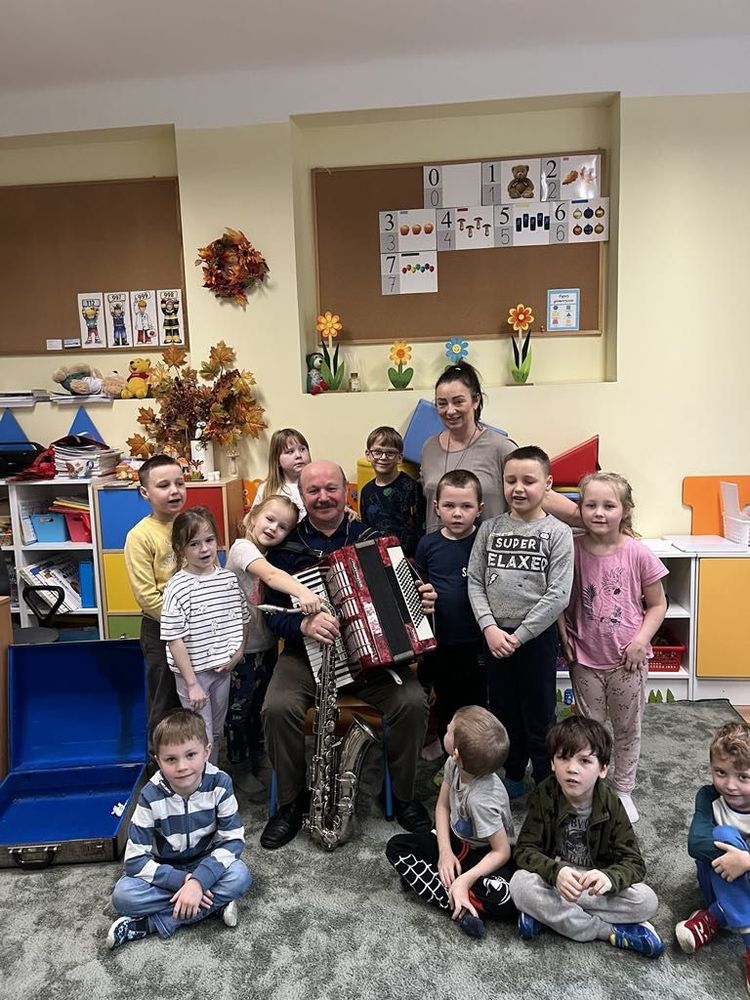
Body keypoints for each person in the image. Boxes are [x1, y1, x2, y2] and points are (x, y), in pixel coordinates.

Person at [259, 459, 437, 850]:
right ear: (302, 495)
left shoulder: (375, 539)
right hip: (306, 655)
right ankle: (291, 803)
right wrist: (302, 625)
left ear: (346, 492)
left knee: (412, 701)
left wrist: (420, 601)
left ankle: (404, 796)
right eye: (313, 490)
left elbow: (406, 603)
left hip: (372, 660)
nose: (323, 497)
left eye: (331, 488)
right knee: (277, 707)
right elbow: (272, 615)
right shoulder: (284, 548)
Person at [558, 472, 667, 824]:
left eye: (609, 505)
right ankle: (590, 786)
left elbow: (658, 605)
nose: (599, 513)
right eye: (590, 505)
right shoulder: (570, 547)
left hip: (626, 662)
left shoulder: (638, 553)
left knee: (626, 728)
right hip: (584, 658)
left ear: (625, 510)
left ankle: (622, 789)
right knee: (589, 729)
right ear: (580, 509)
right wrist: (563, 634)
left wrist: (640, 642)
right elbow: (557, 596)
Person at [509, 716, 663, 958]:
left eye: (584, 761)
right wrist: (555, 872)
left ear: (603, 769)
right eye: (563, 758)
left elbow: (634, 863)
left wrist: (609, 878)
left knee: (646, 900)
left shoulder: (611, 803)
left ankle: (546, 915)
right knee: (519, 884)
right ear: (552, 763)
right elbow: (524, 850)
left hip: (592, 885)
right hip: (557, 880)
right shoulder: (544, 793)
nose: (572, 768)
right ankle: (606, 931)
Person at [467, 445, 573, 797]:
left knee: (540, 712)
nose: (518, 488)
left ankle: (544, 777)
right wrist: (489, 627)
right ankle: (512, 771)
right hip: (495, 636)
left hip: (536, 638)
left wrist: (522, 635)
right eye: (510, 480)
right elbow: (475, 581)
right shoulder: (490, 528)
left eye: (529, 480)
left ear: (548, 484)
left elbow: (558, 594)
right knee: (503, 709)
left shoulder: (558, 532)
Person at [107, 709, 252, 949]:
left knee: (240, 875)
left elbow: (233, 840)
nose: (182, 766)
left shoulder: (220, 783)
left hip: (206, 863)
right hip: (166, 870)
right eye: (171, 759)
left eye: (191, 755)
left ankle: (151, 924)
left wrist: (199, 881)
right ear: (158, 761)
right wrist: (185, 882)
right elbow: (134, 860)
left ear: (206, 751)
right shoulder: (149, 795)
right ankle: (213, 905)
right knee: (123, 896)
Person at [385, 706, 516, 940]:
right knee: (396, 846)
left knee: (504, 895)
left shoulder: (482, 801)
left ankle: (459, 905)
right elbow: (443, 807)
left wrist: (466, 879)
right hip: (455, 842)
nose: (446, 727)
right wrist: (445, 853)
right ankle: (457, 895)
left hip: (483, 855)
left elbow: (501, 851)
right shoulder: (453, 765)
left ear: (456, 752)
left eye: (450, 730)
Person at [225, 495, 323, 793]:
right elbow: (269, 576)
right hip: (240, 650)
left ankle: (257, 753)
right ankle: (238, 764)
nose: (273, 528)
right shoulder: (243, 548)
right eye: (269, 519)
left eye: (282, 527)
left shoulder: (271, 553)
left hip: (265, 646)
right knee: (239, 711)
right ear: (253, 516)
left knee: (258, 706)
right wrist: (304, 592)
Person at [420, 361, 579, 533]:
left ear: (475, 400)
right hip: (436, 548)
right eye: (442, 403)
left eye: (458, 401)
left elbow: (540, 494)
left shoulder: (501, 448)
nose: (450, 411)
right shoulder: (429, 448)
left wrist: (585, 519)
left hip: (490, 546)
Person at [160, 507, 250, 764]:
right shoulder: (177, 586)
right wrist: (191, 684)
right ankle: (200, 781)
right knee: (201, 736)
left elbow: (243, 617)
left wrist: (239, 652)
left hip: (222, 670)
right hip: (194, 675)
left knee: (216, 733)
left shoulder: (228, 579)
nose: (204, 549)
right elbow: (173, 638)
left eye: (209, 540)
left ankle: (213, 777)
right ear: (180, 549)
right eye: (194, 544)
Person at [675, 721, 750, 993]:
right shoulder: (708, 796)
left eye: (743, 777)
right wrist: (735, 858)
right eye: (720, 772)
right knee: (724, 835)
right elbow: (696, 844)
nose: (730, 785)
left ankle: (714, 917)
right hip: (715, 882)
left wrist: (746, 862)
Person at [414, 470, 486, 744]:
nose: (457, 513)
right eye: (449, 506)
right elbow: (419, 587)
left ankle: (476, 755)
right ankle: (448, 752)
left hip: (477, 641)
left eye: (466, 506)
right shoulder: (427, 544)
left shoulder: (485, 541)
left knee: (476, 701)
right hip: (441, 641)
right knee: (445, 699)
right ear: (436, 507)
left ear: (479, 509)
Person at [124, 454, 186, 745]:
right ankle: (157, 760)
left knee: (192, 696)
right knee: (164, 698)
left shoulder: (191, 524)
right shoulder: (140, 536)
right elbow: (146, 595)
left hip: (196, 627)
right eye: (163, 485)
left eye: (179, 483)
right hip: (161, 630)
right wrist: (180, 624)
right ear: (145, 492)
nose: (174, 491)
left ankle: (193, 757)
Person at [359, 425, 424, 557]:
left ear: (399, 458)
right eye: (377, 452)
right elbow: (366, 527)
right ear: (368, 455)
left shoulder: (411, 487)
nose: (383, 457)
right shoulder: (366, 491)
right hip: (377, 556)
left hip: (408, 557)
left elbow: (420, 527)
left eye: (390, 453)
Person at [252, 427, 311, 519]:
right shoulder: (266, 489)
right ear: (277, 460)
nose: (298, 455)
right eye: (290, 451)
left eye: (302, 449)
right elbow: (252, 520)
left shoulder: (317, 485)